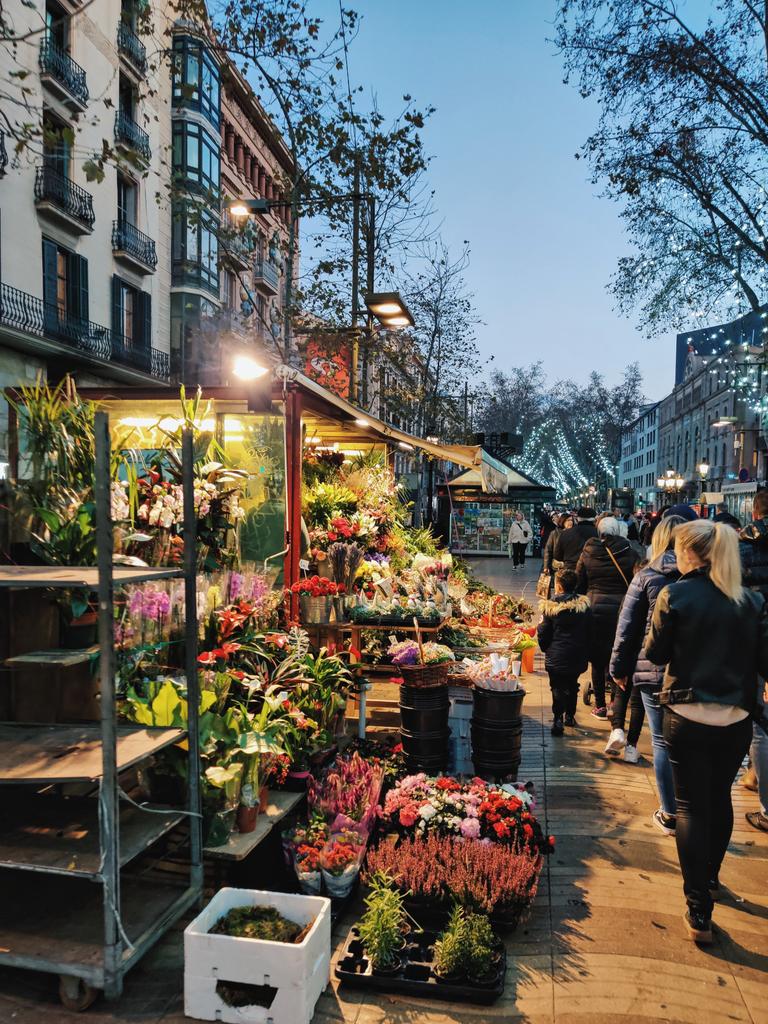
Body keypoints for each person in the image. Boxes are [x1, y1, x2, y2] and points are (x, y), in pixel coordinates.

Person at [646, 520, 768, 943]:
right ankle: (711, 876)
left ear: (692, 553)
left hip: (686, 715)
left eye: (679, 550)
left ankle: (698, 908)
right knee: (719, 801)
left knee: (691, 808)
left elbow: (655, 652)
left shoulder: (675, 594)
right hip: (734, 719)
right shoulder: (751, 601)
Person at [610, 517, 684, 826]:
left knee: (660, 740)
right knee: (684, 740)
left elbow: (627, 629)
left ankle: (669, 811)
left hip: (651, 668)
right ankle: (688, 805)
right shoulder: (705, 577)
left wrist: (617, 667)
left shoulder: (647, 576)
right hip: (690, 670)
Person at [576, 516, 637, 720]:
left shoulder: (589, 551)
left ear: (599, 531)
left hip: (594, 608)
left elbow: (579, 580)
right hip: (622, 609)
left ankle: (600, 706)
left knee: (597, 659)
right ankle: (616, 702)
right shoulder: (629, 552)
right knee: (618, 652)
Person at [738, 488, 768, 832]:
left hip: (753, 644)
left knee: (760, 725)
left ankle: (763, 798)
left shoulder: (742, 550)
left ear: (755, 514)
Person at [537, 568, 591, 736]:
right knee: (572, 684)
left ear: (558, 586)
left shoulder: (550, 607)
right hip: (576, 655)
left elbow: (544, 632)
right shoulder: (584, 607)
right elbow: (591, 631)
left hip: (556, 655)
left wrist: (546, 649)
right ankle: (570, 716)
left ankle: (558, 718)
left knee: (557, 687)